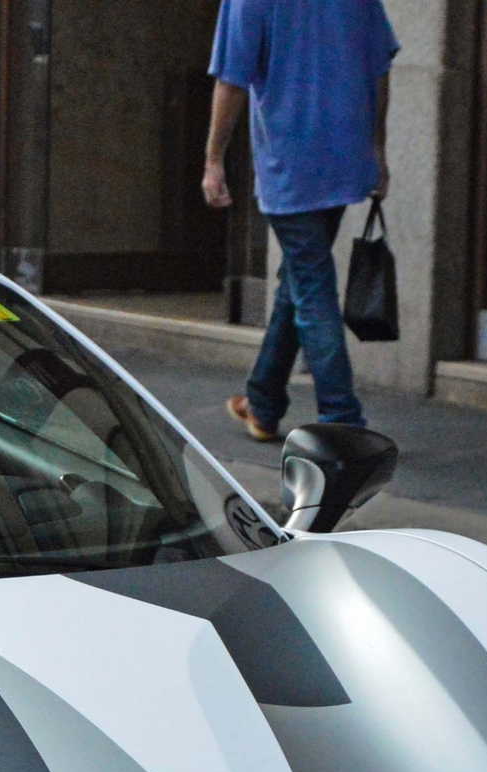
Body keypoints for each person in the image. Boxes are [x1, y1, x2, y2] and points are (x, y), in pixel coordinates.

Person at [202, 0, 399, 443]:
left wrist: (214, 159)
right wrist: (377, 151)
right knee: (299, 278)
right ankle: (263, 403)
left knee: (311, 288)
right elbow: (379, 69)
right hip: (345, 157)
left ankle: (342, 417)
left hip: (290, 164)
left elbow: (231, 81)